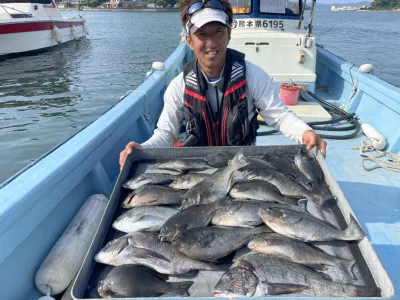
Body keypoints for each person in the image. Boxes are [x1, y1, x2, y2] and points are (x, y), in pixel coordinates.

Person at [119, 0, 326, 170]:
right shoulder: (178, 85)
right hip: (199, 165)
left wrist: (305, 132)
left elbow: (279, 116)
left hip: (241, 164)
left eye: (218, 32)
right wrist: (142, 148)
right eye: (202, 34)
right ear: (189, 41)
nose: (211, 42)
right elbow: (166, 134)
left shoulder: (252, 75)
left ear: (229, 34)